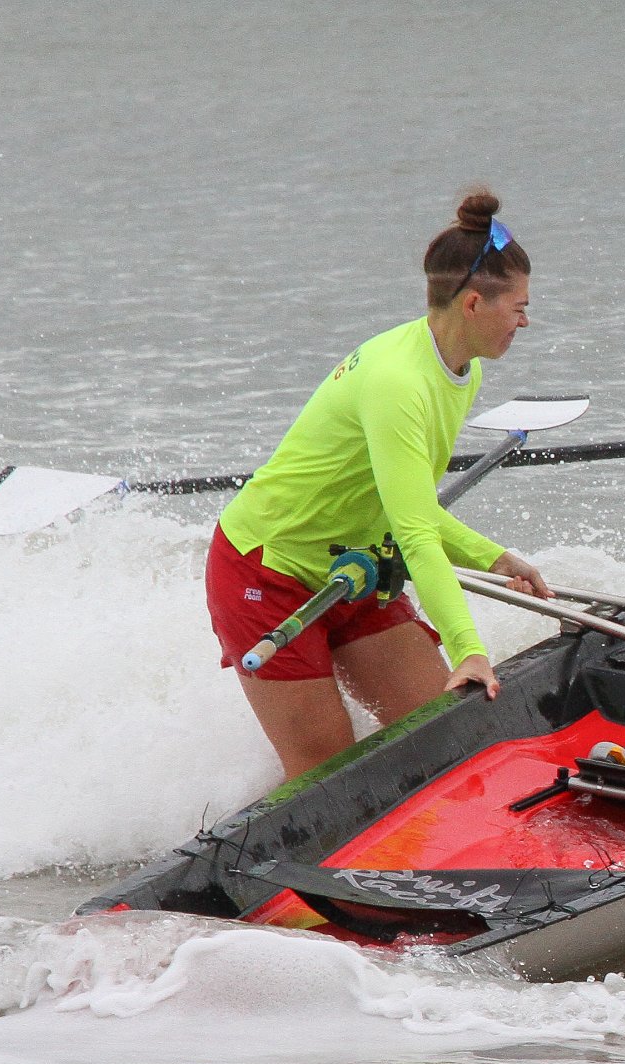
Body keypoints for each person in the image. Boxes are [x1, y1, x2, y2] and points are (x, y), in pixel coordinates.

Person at [206, 190, 551, 781]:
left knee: (442, 734)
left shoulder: (462, 370)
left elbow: (406, 505)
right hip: (267, 571)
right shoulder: (399, 383)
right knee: (327, 771)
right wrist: (468, 648)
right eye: (518, 306)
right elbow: (416, 531)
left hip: (354, 567)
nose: (525, 320)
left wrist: (490, 556)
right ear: (473, 304)